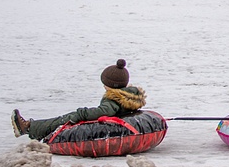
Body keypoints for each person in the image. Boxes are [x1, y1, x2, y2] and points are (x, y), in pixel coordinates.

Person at [11, 59, 145, 140]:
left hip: (104, 125)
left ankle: (29, 127)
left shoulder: (113, 98)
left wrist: (82, 113)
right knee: (68, 118)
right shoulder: (129, 95)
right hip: (115, 123)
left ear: (111, 85)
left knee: (65, 119)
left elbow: (105, 111)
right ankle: (33, 127)